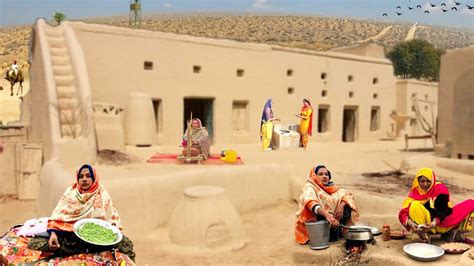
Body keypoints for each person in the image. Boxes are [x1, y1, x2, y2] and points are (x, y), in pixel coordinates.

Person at [28, 164, 135, 262]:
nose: (84, 179)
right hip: (70, 240)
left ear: (94, 178)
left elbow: (111, 221)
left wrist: (108, 237)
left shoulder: (102, 194)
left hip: (99, 243)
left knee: (127, 244)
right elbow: (58, 216)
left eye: (88, 176)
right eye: (81, 176)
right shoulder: (70, 193)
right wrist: (53, 234)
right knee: (34, 243)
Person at [398, 167, 474, 243]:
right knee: (414, 205)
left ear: (433, 180)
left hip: (442, 221)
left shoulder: (440, 189)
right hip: (425, 225)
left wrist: (434, 223)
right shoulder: (415, 193)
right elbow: (403, 213)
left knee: (471, 203)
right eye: (422, 181)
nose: (425, 184)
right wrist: (411, 224)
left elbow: (443, 209)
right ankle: (423, 234)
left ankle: (459, 235)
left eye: (428, 181)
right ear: (418, 182)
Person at [295, 165, 359, 244]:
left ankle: (336, 230)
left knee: (347, 204)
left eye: (326, 174)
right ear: (314, 176)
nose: (324, 176)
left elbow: (347, 195)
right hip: (318, 219)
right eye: (320, 174)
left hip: (333, 219)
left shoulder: (332, 188)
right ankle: (325, 235)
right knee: (315, 210)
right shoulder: (309, 187)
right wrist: (327, 215)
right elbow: (311, 202)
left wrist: (341, 206)